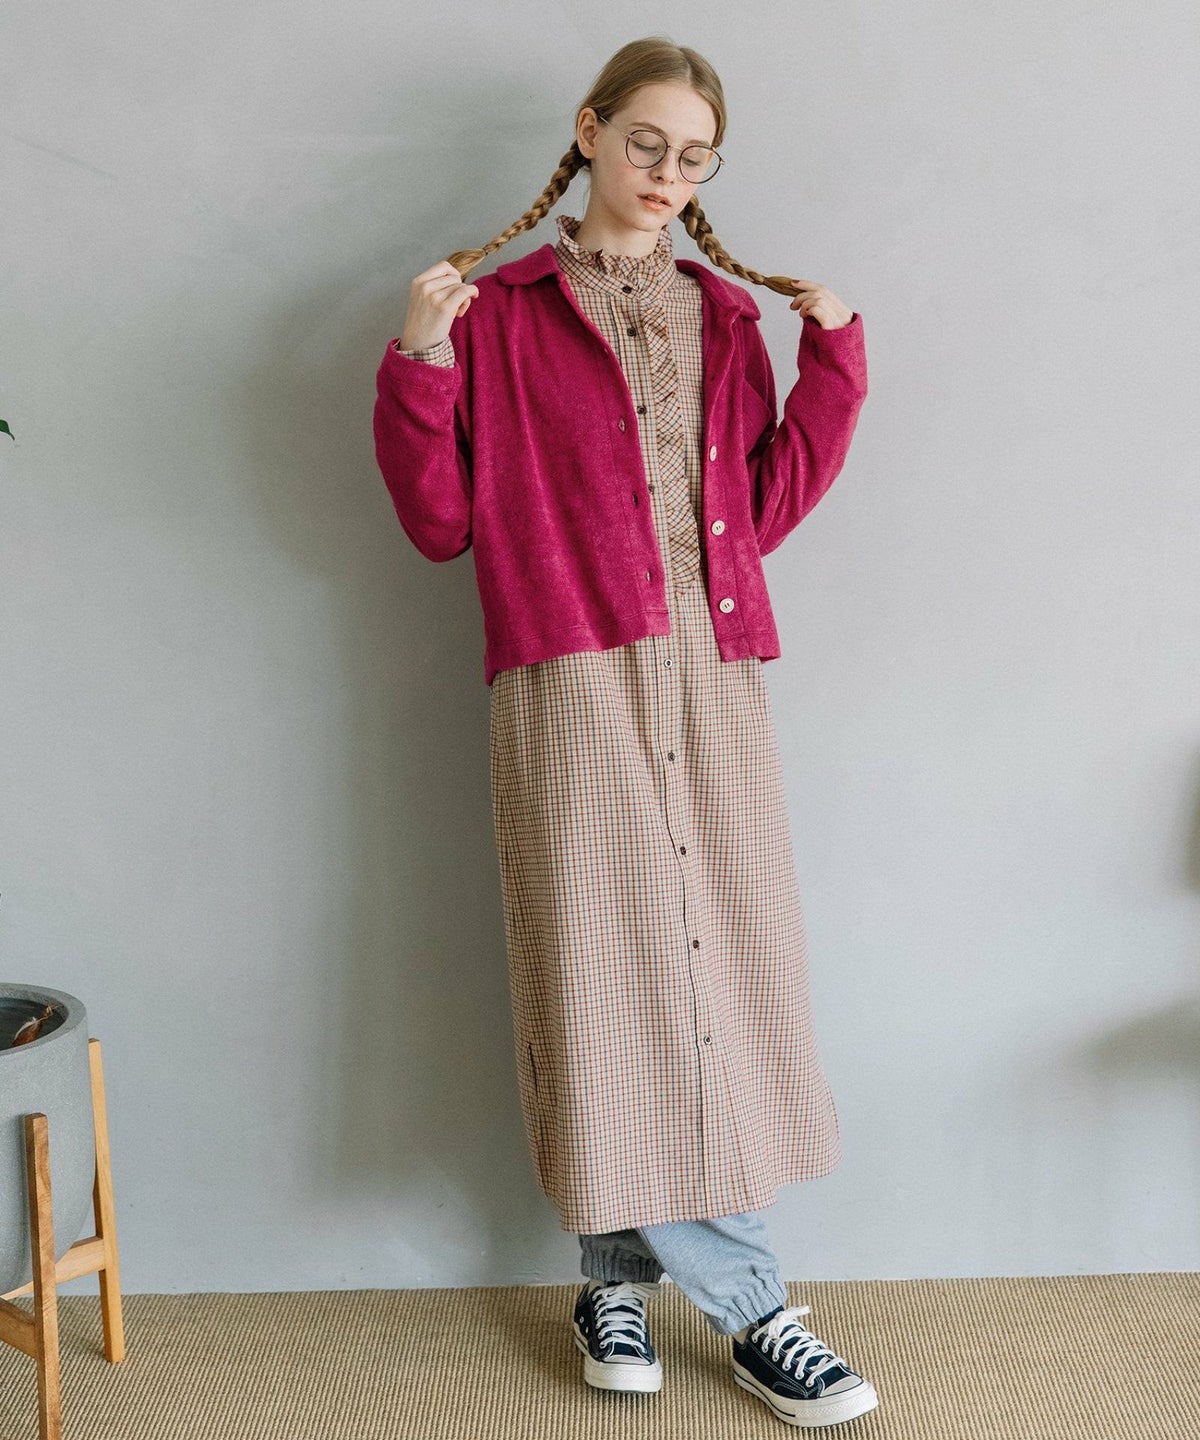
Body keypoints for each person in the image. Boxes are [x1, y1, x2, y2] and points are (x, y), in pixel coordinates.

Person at [373, 34, 878, 1429]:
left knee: (719, 977)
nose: (666, 173)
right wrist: (419, 359)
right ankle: (757, 1309)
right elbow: (440, 521)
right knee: (604, 970)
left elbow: (761, 512)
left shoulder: (726, 317)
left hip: (713, 671)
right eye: (646, 141)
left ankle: (614, 1279)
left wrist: (834, 363)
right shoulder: (498, 312)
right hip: (569, 668)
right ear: (591, 132)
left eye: (694, 157)